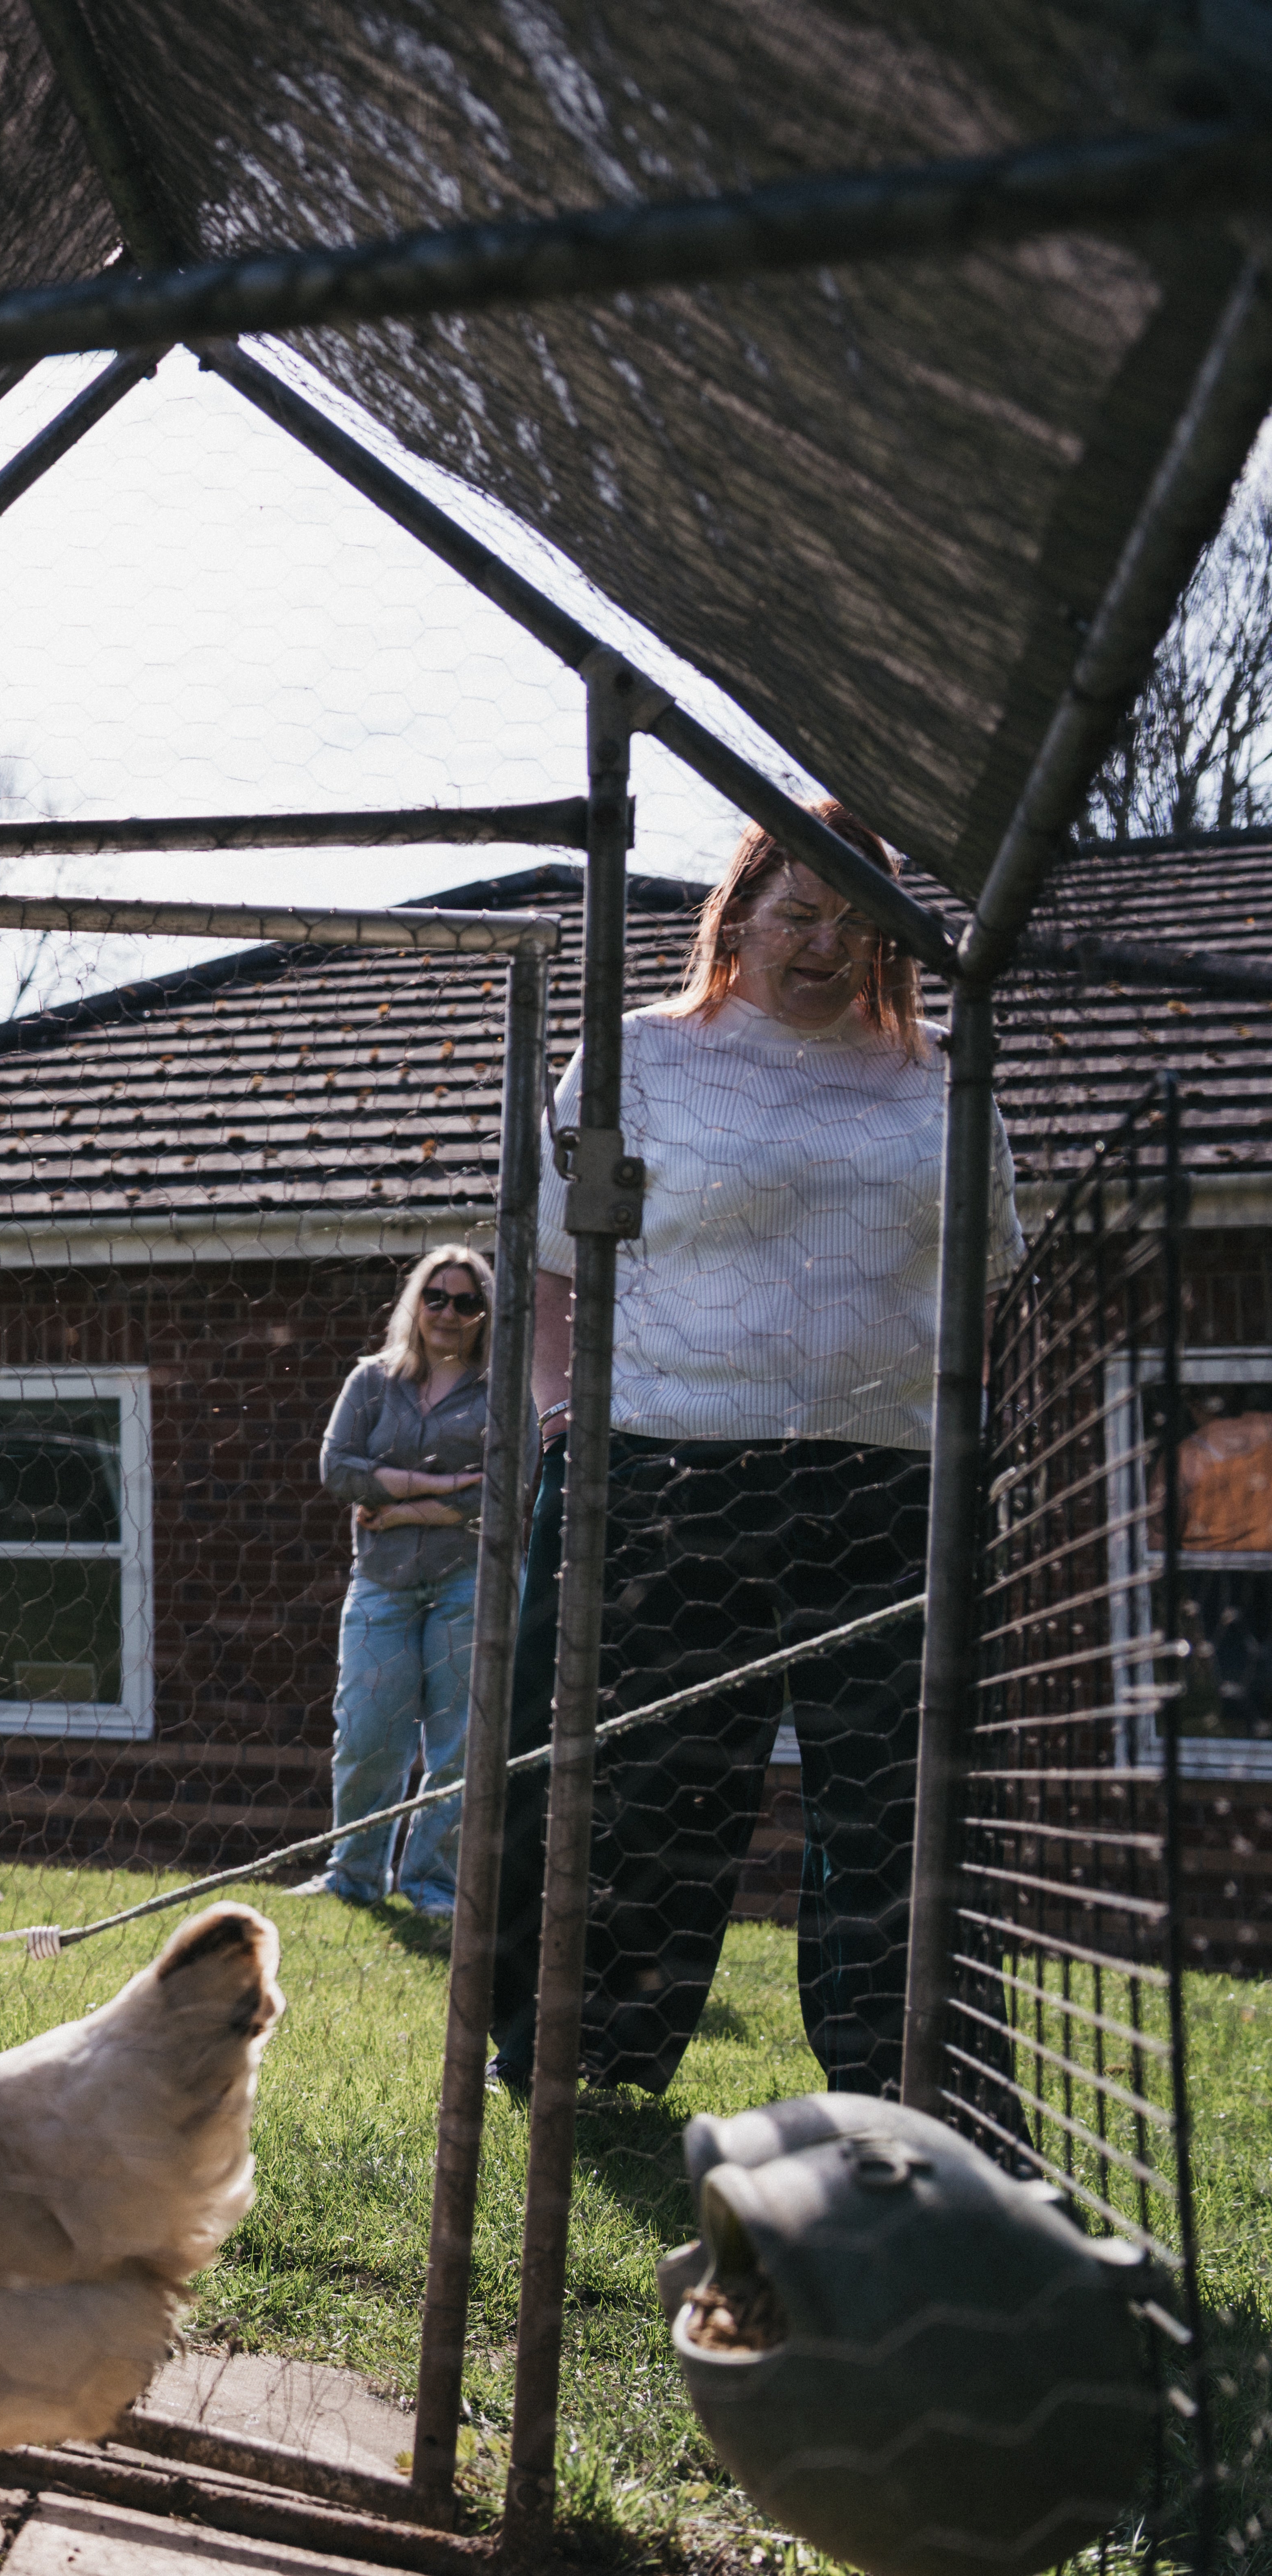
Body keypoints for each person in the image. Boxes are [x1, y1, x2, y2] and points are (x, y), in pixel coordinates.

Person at [492, 805, 1014, 2097]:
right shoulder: (644, 1061)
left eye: (855, 922)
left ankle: (901, 2081)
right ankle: (589, 2060)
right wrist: (565, 1415)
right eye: (798, 914)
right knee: (647, 1787)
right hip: (669, 1469)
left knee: (893, 1803)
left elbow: (987, 1281)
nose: (826, 944)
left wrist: (968, 1439)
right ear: (737, 918)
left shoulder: (942, 1074)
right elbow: (554, 1268)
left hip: (888, 1483)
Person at [292, 1244, 495, 1921]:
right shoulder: (373, 1382)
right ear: (416, 1302)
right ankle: (352, 1875)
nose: (449, 1312)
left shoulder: (502, 1387)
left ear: (485, 1313)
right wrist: (441, 1488)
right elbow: (336, 1469)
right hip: (381, 1583)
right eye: (436, 1296)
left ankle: (431, 1883)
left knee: (459, 1743)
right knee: (369, 1731)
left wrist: (399, 1508)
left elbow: (511, 1486)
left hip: (469, 1581)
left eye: (467, 1301)